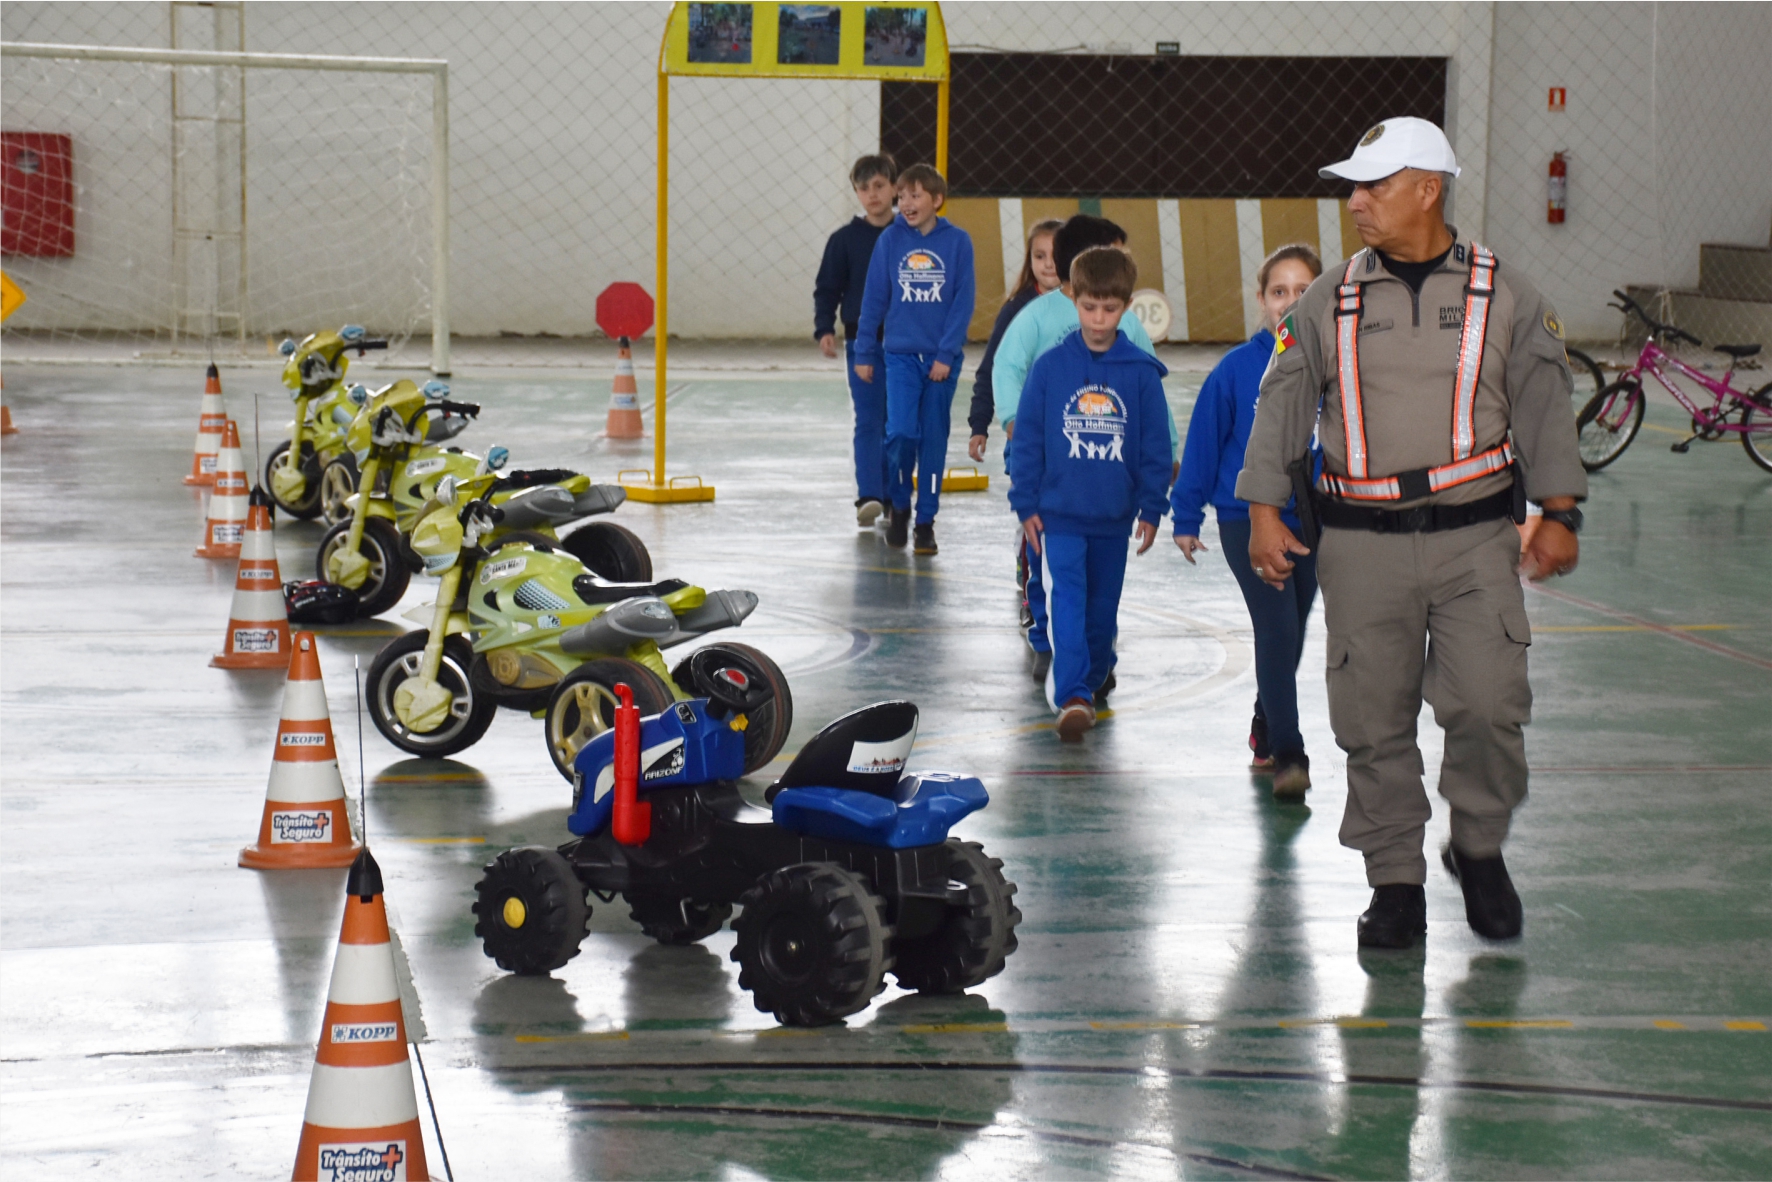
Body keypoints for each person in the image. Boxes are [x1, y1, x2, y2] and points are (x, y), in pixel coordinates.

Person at [1237, 116, 1587, 951]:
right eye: (1353, 186)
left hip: (1476, 541)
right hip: (1359, 546)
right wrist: (1259, 510)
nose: (1355, 202)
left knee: (1487, 702)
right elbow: (1282, 399)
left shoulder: (1506, 293)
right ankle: (1395, 882)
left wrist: (1561, 510)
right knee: (1372, 717)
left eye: (1374, 186)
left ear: (1428, 189)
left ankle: (1479, 844)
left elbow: (1543, 402)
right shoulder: (1329, 297)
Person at [992, 214, 1181, 662]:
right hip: (1046, 459)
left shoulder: (1129, 328)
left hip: (1106, 473)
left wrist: (1168, 454)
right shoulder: (1035, 316)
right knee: (1045, 558)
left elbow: (1150, 401)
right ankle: (1044, 635)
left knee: (1098, 580)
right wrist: (1012, 421)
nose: (1099, 318)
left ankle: (1094, 653)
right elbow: (1006, 367)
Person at [1172, 243, 1323, 799]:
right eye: (1279, 291)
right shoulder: (1236, 370)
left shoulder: (1334, 366)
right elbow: (1205, 446)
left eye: (1304, 291)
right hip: (1246, 517)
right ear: (1261, 301)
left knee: (1296, 628)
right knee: (1277, 626)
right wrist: (1186, 515)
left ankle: (1265, 724)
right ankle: (1290, 752)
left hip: (1313, 517)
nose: (1290, 302)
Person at [1009, 247, 1173, 742]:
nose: (1098, 319)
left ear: (1125, 307)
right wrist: (1025, 503)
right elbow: (1030, 439)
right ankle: (1074, 694)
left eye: (1109, 308)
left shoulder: (1142, 374)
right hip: (1057, 516)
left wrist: (1152, 505)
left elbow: (1154, 446)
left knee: (1103, 610)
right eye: (1088, 307)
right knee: (1068, 601)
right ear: (1073, 300)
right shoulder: (1050, 369)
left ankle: (1095, 673)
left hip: (1114, 518)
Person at [854, 163, 976, 555]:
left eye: (916, 195)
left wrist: (946, 353)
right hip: (900, 358)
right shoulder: (890, 242)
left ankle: (926, 521)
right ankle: (901, 505)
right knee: (901, 433)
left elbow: (962, 302)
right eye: (902, 195)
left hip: (940, 362)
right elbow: (874, 299)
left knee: (934, 442)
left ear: (936, 200)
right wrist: (864, 350)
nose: (906, 203)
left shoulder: (958, 242)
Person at [814, 152, 898, 526]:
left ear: (895, 187)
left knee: (898, 422)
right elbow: (827, 288)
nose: (872, 194)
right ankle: (870, 494)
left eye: (879, 186)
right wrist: (824, 327)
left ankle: (896, 493)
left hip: (907, 345)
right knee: (869, 419)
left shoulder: (910, 237)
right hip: (863, 344)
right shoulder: (844, 240)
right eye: (864, 188)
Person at [966, 219, 1064, 464]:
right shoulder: (1015, 310)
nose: (1049, 264)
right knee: (1026, 494)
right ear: (1029, 260)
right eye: (1040, 256)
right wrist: (980, 425)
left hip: (1072, 423)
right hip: (1025, 426)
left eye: (1057, 255)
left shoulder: (1085, 308)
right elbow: (992, 369)